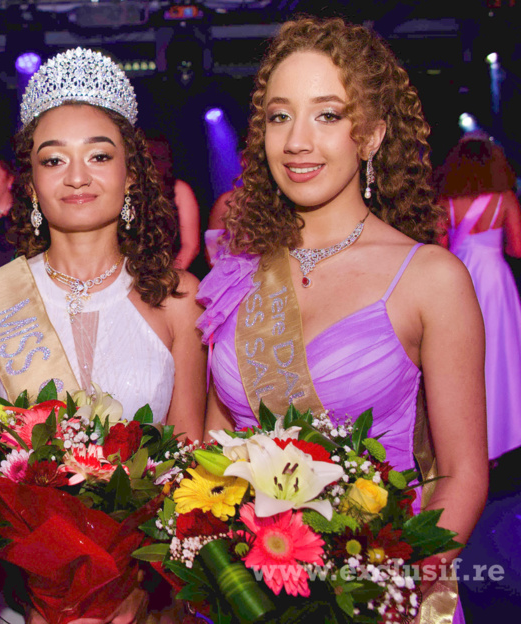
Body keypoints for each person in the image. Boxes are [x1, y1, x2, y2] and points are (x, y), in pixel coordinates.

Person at [197, 17, 486, 623]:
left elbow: (460, 474)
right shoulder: (234, 274)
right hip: (251, 599)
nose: (297, 141)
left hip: (382, 596)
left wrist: (386, 591)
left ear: (373, 135)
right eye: (280, 116)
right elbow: (211, 448)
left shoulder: (429, 277)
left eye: (327, 115)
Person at [0, 47, 206, 623]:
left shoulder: (179, 298)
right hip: (24, 598)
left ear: (131, 174)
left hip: (146, 594)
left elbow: (190, 460)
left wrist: (140, 587)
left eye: (99, 155)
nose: (77, 176)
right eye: (54, 160)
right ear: (30, 184)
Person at [434, 134, 521, 461]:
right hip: (496, 282)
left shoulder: (446, 202)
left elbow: (440, 248)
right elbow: (517, 247)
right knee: (500, 357)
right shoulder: (505, 198)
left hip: (460, 280)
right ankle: (502, 437)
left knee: (462, 359)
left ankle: (466, 440)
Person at [146, 135, 201, 270]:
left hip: (169, 273)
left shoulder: (179, 189)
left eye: (158, 158)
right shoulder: (126, 189)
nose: (152, 165)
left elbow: (191, 246)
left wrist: (169, 278)